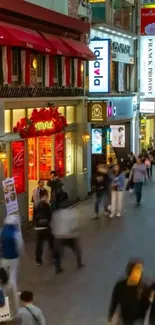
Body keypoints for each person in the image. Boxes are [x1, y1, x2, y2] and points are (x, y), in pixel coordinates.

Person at [108, 259, 149, 325]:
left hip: (138, 321)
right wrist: (110, 318)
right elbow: (114, 303)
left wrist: (149, 300)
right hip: (124, 319)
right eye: (136, 270)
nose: (139, 273)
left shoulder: (144, 288)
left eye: (140, 271)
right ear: (130, 271)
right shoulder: (120, 286)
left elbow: (146, 307)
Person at [33, 189, 62, 274]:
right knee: (51, 243)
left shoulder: (36, 206)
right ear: (45, 196)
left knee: (39, 245)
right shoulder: (46, 205)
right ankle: (54, 257)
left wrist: (36, 224)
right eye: (47, 195)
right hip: (46, 228)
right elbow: (50, 216)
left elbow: (34, 218)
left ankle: (38, 260)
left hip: (38, 228)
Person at [1, 214, 24, 291]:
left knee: (3, 277)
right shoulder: (16, 233)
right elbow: (20, 246)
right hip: (13, 258)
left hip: (3, 258)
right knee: (13, 278)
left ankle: (4, 296)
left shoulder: (1, 231)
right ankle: (15, 297)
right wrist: (21, 254)